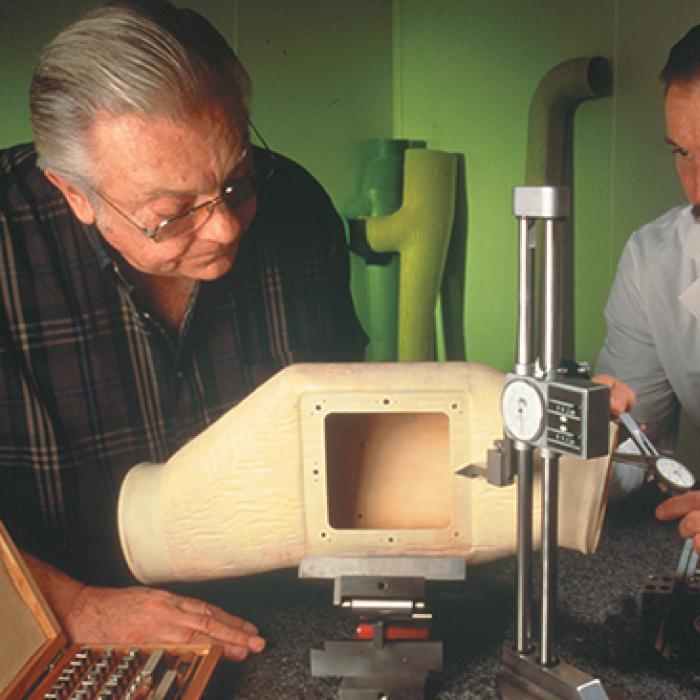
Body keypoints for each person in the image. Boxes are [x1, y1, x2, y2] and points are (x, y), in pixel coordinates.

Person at [0, 0, 366, 661]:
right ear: (72, 192)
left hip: (281, 613)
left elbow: (346, 419)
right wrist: (73, 607)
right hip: (58, 631)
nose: (225, 228)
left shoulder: (297, 208)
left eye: (235, 182)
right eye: (171, 215)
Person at [596, 24, 700, 554]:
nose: (696, 185)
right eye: (682, 153)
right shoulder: (657, 260)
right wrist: (585, 436)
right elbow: (634, 461)